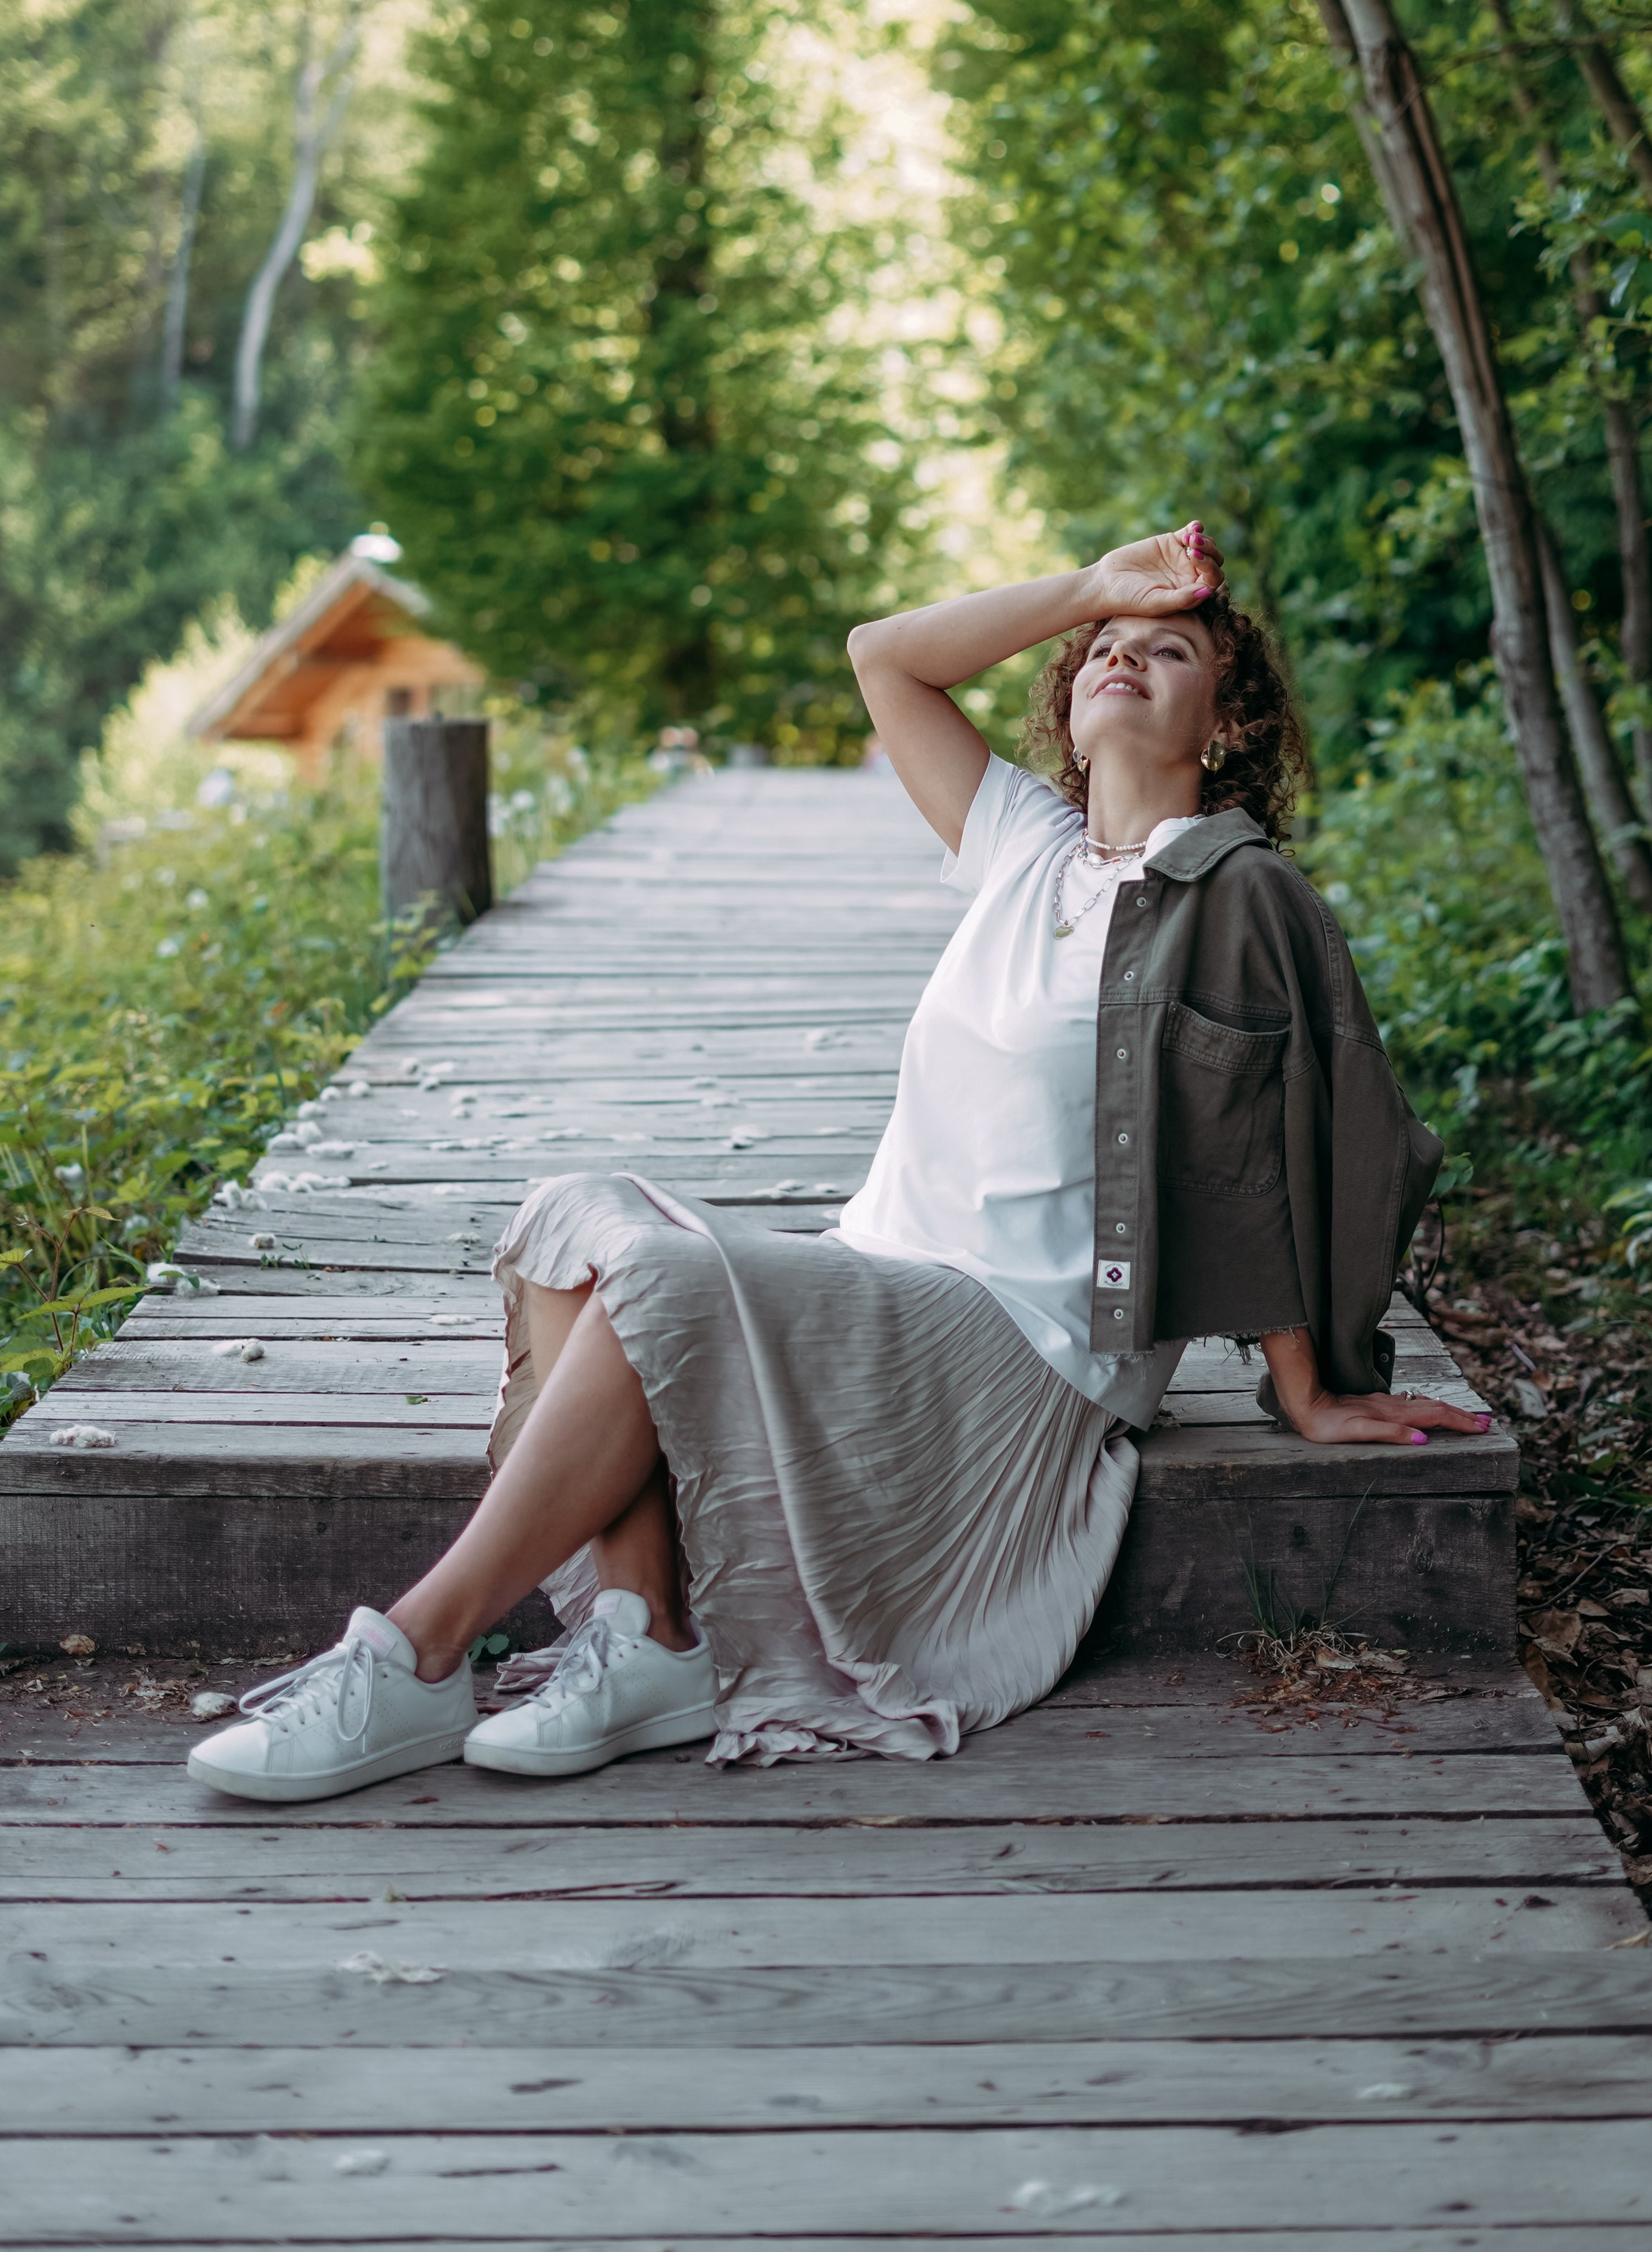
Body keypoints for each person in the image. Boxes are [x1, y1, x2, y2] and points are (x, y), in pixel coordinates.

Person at [188, 526, 1486, 1805]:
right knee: (573, 1211)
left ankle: (414, 1654)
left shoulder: (1234, 889)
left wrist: (1306, 1390)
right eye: (1102, 647)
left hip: (1023, 1346)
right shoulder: (1022, 846)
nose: (1121, 658)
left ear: (1228, 725)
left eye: (1171, 650)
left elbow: (1261, 1146)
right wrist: (1092, 583)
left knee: (659, 1274)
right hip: (883, 1275)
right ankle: (650, 1643)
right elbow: (886, 658)